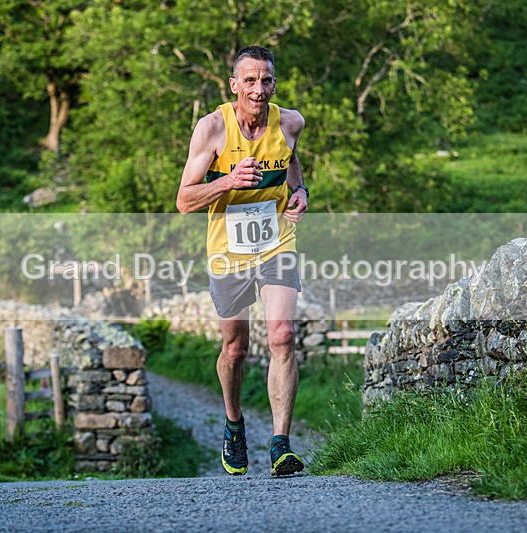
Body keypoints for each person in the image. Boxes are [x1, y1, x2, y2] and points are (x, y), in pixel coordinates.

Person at [176, 45, 309, 476]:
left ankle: (280, 445)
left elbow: (292, 165)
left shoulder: (290, 123)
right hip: (228, 249)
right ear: (234, 85)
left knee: (283, 335)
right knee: (235, 348)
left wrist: (300, 192)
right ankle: (234, 425)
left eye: (266, 79)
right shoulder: (212, 129)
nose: (258, 88)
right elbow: (183, 200)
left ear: (274, 83)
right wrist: (229, 181)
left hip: (276, 242)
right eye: (249, 80)